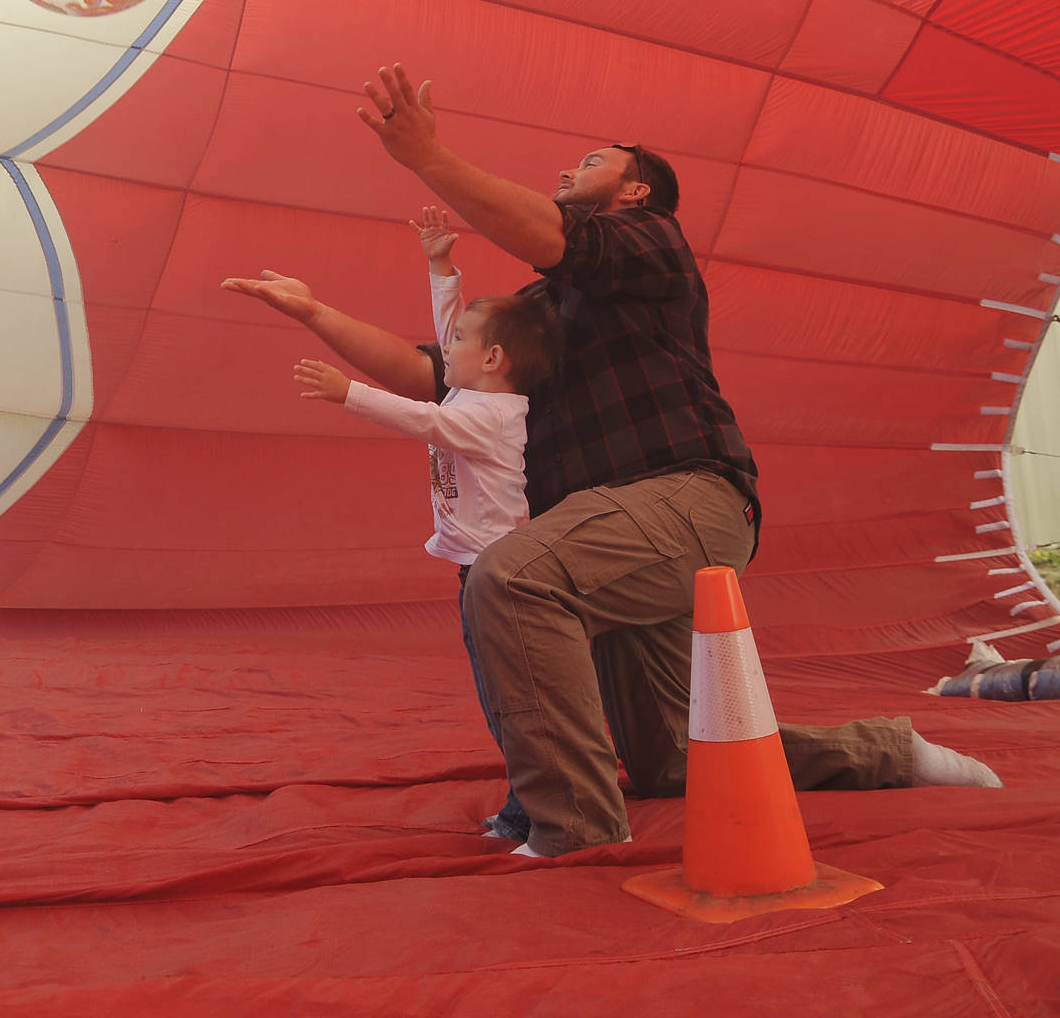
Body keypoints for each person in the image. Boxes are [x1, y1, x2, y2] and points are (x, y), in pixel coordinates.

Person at [224, 64, 1001, 860]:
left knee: (512, 577)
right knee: (675, 760)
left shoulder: (654, 243)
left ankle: (575, 829)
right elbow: (434, 371)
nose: (566, 171)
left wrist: (428, 159)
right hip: (601, 536)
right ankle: (888, 753)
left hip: (684, 502)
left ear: (635, 193)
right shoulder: (534, 314)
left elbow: (561, 241)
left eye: (591, 163)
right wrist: (315, 311)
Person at [289, 205, 559, 843]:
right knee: (503, 699)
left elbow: (424, 421)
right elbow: (449, 332)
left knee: (514, 701)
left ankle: (548, 807)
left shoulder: (491, 417)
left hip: (500, 581)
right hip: (479, 576)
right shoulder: (474, 390)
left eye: (462, 344)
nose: (446, 350)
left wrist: (347, 391)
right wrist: (441, 265)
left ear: (492, 359)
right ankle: (530, 804)